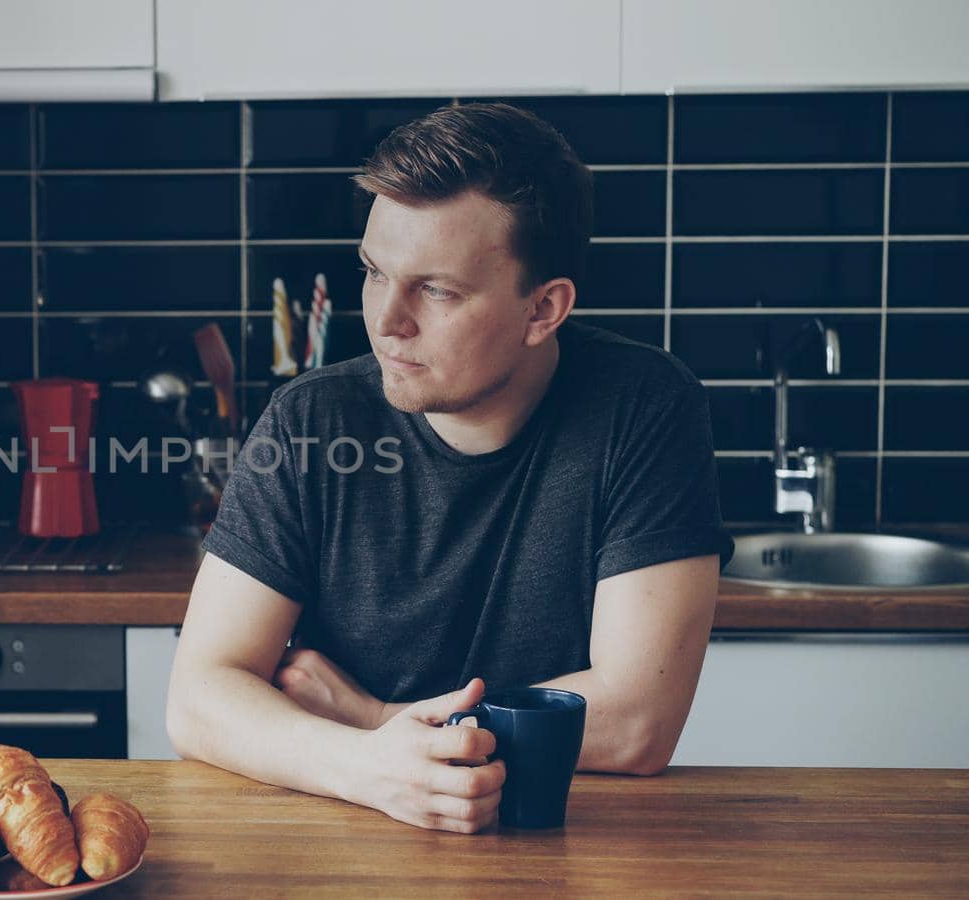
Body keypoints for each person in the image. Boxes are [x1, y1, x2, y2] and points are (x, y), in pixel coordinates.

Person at [165, 102, 734, 834]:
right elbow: (197, 699)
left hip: (560, 845)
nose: (386, 322)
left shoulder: (643, 406)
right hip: (345, 841)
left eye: (436, 290)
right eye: (374, 272)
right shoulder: (310, 419)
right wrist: (366, 767)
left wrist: (377, 722)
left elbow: (637, 722)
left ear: (543, 309)